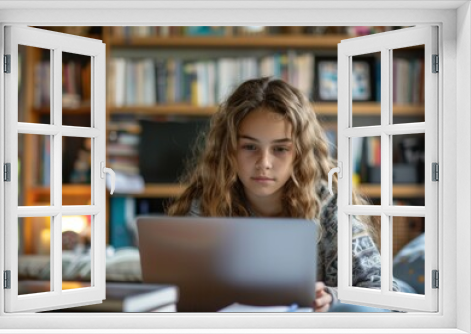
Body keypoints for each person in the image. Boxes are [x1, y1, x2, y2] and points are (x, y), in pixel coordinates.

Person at [167, 77, 395, 312]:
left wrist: (331, 297)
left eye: (280, 149)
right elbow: (178, 293)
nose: (264, 163)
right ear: (229, 150)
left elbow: (385, 292)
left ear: (299, 153)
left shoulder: (327, 202)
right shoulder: (208, 201)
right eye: (249, 147)